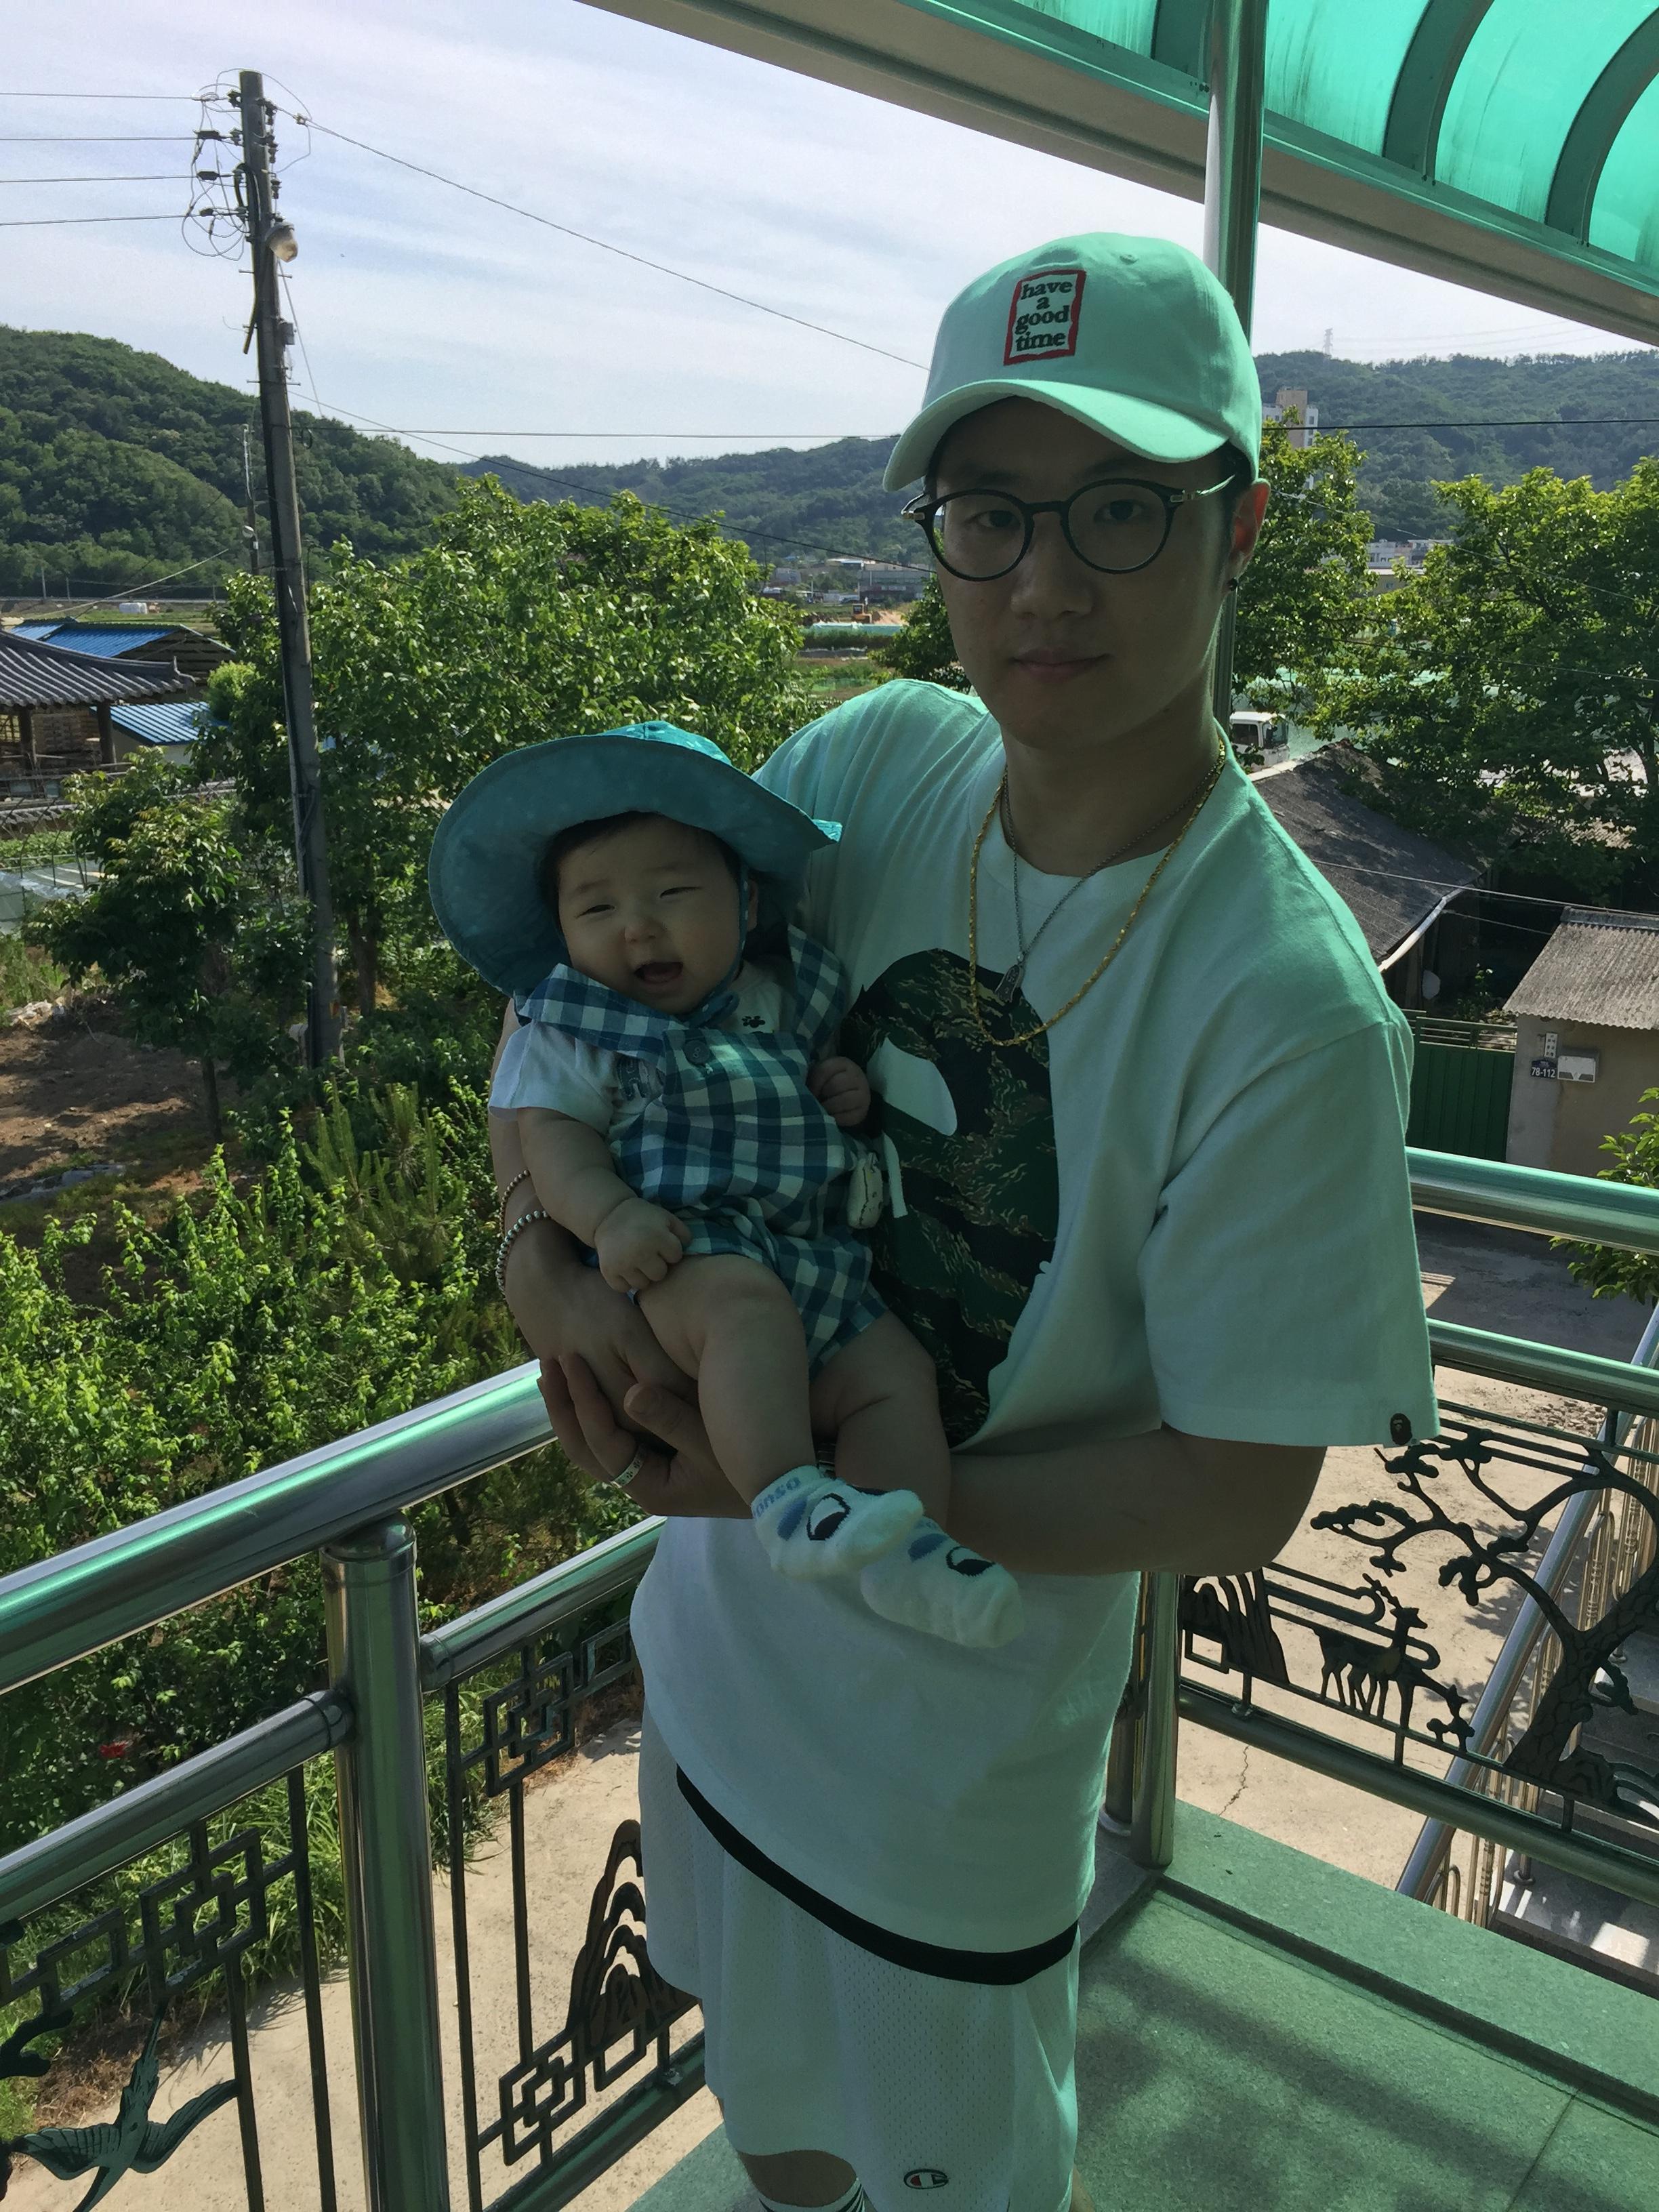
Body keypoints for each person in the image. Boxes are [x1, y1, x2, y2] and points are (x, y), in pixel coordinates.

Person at [490, 232, 1437, 2212]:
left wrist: (838, 1495)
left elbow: (1238, 1488)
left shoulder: (1284, 1002)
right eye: (988, 512)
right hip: (714, 1673)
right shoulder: (872, 765)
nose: (1043, 582)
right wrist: (535, 1256)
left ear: (1239, 528)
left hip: (952, 1772)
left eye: (1120, 509)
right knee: (777, 2141)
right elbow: (588, 1008)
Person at [429, 729, 1023, 1647]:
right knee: (745, 1315)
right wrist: (610, 1218)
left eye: (673, 894)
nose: (638, 927)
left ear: (745, 901)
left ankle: (910, 1550)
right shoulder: (580, 1028)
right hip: (687, 1256)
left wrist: (841, 1089)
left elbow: (812, 1078)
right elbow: (553, 1138)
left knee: (893, 1378)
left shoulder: (781, 993)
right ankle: (790, 1499)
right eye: (597, 908)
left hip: (819, 1261)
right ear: (562, 931)